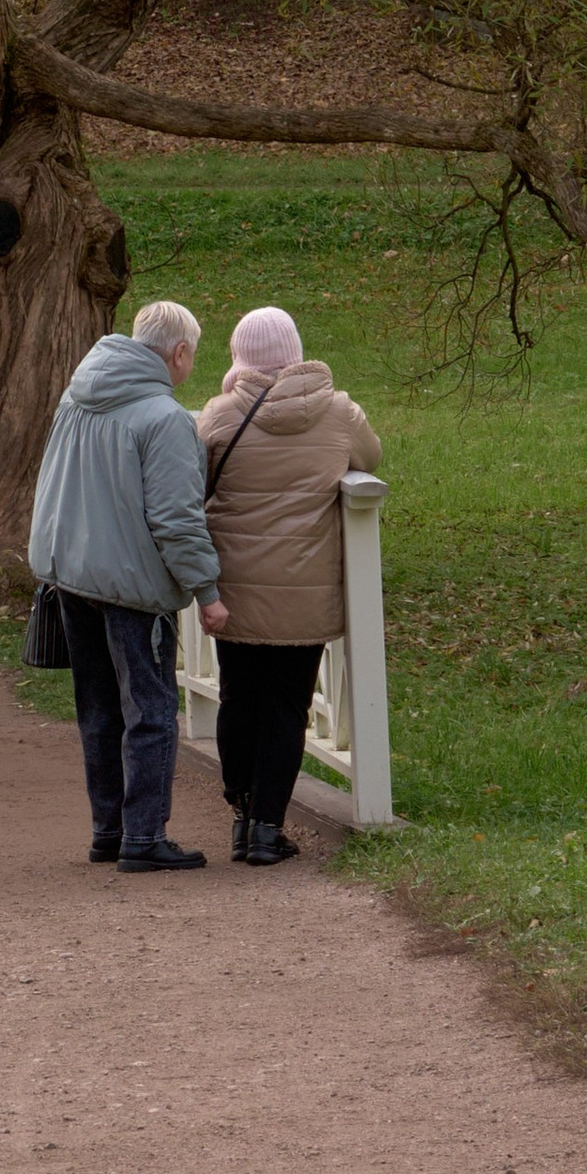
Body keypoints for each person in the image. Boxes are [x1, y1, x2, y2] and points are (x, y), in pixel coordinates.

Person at [26, 297, 230, 871]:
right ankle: (144, 837)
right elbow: (176, 520)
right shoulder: (164, 419)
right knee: (150, 707)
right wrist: (207, 592)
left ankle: (108, 830)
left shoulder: (77, 395)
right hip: (129, 585)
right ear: (180, 353)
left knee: (97, 706)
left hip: (71, 575)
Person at [196, 304, 382, 868]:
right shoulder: (341, 412)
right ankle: (266, 829)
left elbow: (195, 474)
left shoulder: (221, 414)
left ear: (239, 358)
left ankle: (241, 812)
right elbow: (369, 459)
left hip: (236, 591)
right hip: (307, 590)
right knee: (287, 708)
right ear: (298, 353)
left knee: (238, 697)